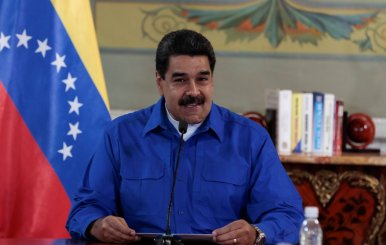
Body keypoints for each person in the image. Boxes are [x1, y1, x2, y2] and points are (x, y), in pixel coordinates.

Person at [66, 29, 304, 245]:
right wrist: (98, 225)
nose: (193, 91)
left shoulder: (251, 139)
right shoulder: (120, 134)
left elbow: (286, 215)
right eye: (180, 80)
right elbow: (85, 210)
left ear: (212, 79)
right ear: (160, 82)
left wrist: (256, 233)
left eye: (202, 79)